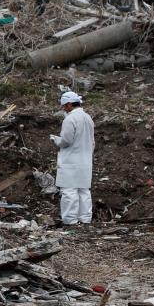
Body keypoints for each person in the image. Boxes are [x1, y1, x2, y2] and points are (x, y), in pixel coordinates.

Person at [50, 91, 95, 225]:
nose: (64, 109)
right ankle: (85, 219)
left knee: (69, 191)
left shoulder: (70, 119)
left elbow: (66, 141)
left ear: (69, 104)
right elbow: (92, 141)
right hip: (85, 161)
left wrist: (55, 140)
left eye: (64, 106)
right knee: (83, 191)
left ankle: (70, 220)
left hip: (71, 161)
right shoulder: (88, 118)